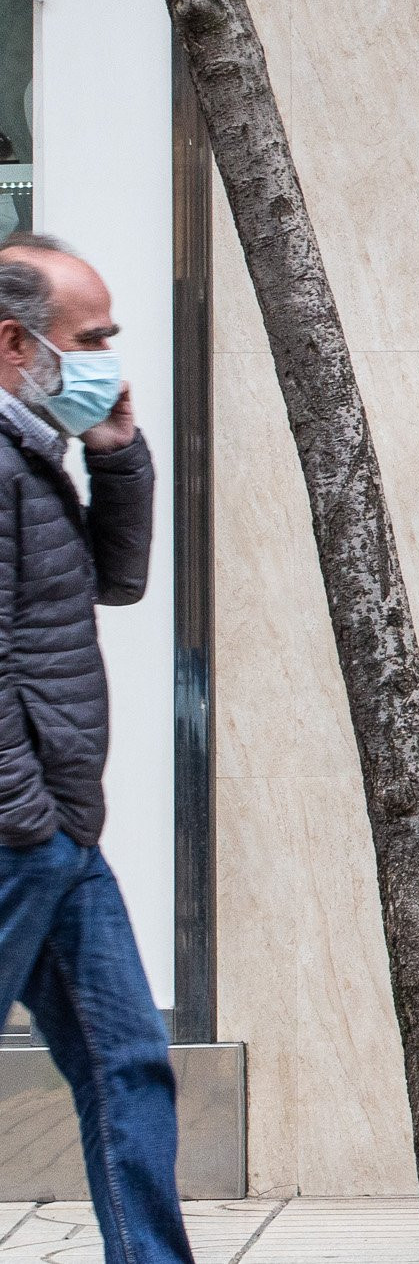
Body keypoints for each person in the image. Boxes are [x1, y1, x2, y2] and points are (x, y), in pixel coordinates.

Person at [0, 235, 185, 1264]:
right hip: (24, 830)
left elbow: (114, 581)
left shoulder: (36, 449)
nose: (111, 353)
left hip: (59, 830)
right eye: (94, 337)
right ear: (13, 341)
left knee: (128, 1062)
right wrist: (25, 814)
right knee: (124, 1061)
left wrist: (117, 452)